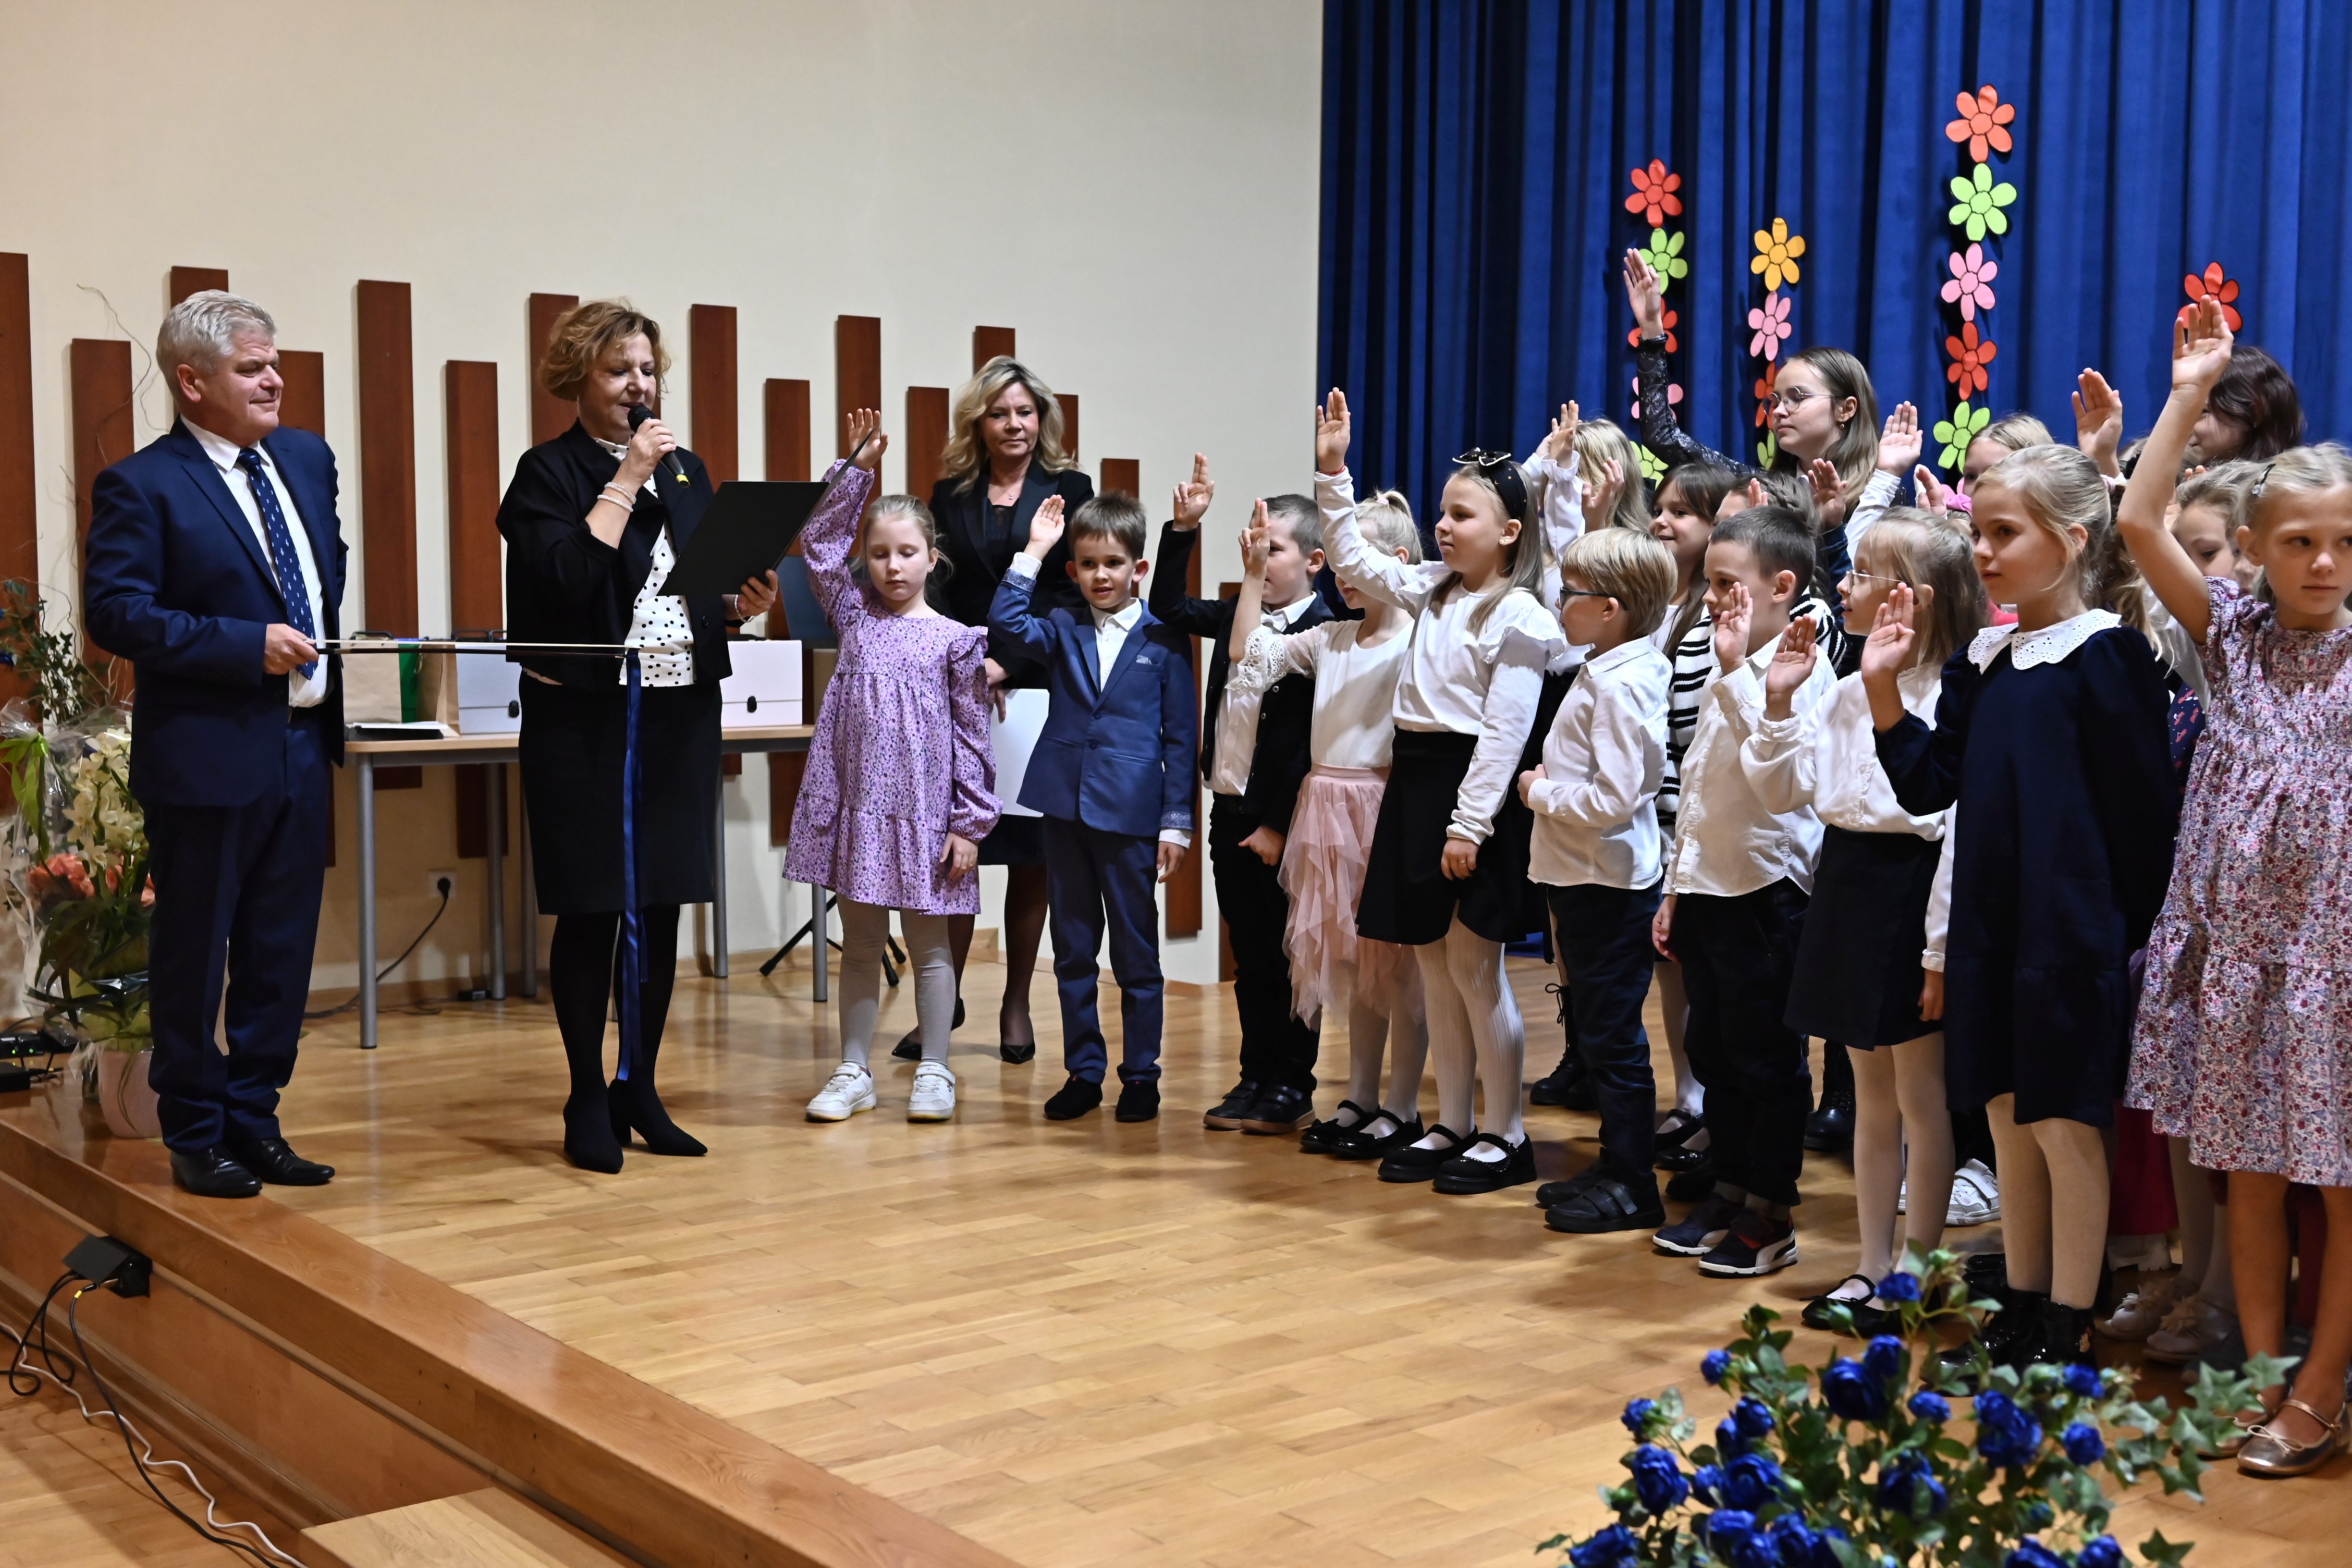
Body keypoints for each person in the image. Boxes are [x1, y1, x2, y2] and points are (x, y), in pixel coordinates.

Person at [1869, 443, 2177, 1374]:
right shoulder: (1984, 659)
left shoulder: (2109, 654)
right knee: (2007, 1119)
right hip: (1990, 930)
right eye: (1978, 532)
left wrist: (2110, 936)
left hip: (2069, 934)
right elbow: (1930, 785)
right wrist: (1883, 689)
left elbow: (2142, 816)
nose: (1983, 551)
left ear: (2072, 540)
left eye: (2004, 532)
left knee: (2063, 1126)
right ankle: (2026, 1302)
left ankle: (2067, 1324)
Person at [2123, 298, 2352, 1477]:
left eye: (2344, 543)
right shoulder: (2233, 636)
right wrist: (2184, 393)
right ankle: (2262, 1381)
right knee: (2249, 1180)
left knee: (2342, 1191)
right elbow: (2135, 517)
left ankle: (2320, 1389)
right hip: (2240, 967)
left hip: (2335, 974)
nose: (2323, 564)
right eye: (2299, 541)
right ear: (2257, 548)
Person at [497, 300, 779, 1174]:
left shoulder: (686, 472)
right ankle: (586, 1091)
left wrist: (738, 604)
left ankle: (640, 1086)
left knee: (659, 902)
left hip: (675, 711)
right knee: (592, 906)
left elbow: (689, 592)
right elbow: (567, 580)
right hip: (583, 717)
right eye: (620, 370)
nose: (639, 385)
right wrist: (625, 477)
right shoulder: (546, 473)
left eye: (648, 370)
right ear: (578, 377)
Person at [83, 291, 346, 1199]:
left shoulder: (306, 459)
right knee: (196, 952)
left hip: (303, 743)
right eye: (250, 368)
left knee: (282, 949)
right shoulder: (144, 484)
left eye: (274, 363)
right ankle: (194, 1130)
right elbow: (117, 612)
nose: (274, 381)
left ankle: (255, 1118)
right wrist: (244, 645)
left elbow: (320, 571)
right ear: (192, 383)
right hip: (206, 753)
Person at [1742, 512, 1989, 1329]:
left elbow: (1952, 829)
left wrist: (1938, 950)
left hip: (1911, 894)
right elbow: (1786, 793)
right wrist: (1779, 702)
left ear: (1911, 598)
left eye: (1860, 575)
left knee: (1922, 1097)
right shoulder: (1849, 691)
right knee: (1870, 1096)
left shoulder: (1957, 694)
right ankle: (1872, 1262)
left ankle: (1917, 1272)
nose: (1842, 587)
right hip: (1847, 887)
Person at [1317, 391, 1566, 1197]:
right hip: (1417, 786)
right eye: (1442, 513)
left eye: (1462, 515)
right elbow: (1354, 558)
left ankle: (1506, 1133)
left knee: (1474, 970)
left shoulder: (1519, 615)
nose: (1444, 526)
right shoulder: (1432, 587)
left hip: (1468, 797)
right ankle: (1453, 1122)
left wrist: (1469, 825)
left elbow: (1504, 735)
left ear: (1510, 532)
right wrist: (1333, 473)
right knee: (1432, 968)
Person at [786, 414, 998, 1124]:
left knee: (931, 947)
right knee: (861, 945)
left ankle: (935, 1068)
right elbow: (819, 545)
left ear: (932, 558)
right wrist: (859, 468)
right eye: (879, 554)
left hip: (928, 819)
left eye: (907, 552)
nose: (893, 567)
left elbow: (974, 738)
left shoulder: (956, 641)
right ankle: (855, 1070)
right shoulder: (854, 619)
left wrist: (969, 824)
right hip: (861, 816)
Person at [1647, 507, 1839, 1277]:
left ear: (1780, 586)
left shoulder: (1804, 671)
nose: (1711, 597)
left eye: (1726, 583)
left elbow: (1780, 789)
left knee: (1766, 1059)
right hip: (1709, 886)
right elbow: (1700, 786)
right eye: (1709, 582)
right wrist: (1676, 887)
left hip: (1765, 892)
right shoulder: (1727, 660)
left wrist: (1733, 676)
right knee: (1715, 1051)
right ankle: (1730, 1187)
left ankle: (1772, 1210)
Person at [1222, 493, 1429, 1161]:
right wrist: (1253, 572)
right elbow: (1247, 653)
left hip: (1380, 812)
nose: (1342, 572)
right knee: (1352, 964)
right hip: (1326, 813)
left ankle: (1402, 1105)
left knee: (1398, 970)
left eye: (1354, 557)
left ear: (1396, 562)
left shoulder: (1419, 638)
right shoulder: (1333, 637)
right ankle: (1361, 1097)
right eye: (1337, 559)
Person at [989, 493, 1194, 1122]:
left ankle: (1142, 1075)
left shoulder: (1165, 639)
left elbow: (1181, 739)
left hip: (1131, 815)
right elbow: (1005, 622)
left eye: (1113, 562)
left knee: (1136, 953)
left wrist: (1177, 824)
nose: (1100, 575)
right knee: (1073, 947)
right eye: (1087, 564)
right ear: (1073, 570)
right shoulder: (1062, 625)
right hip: (1064, 808)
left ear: (1139, 568)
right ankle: (1083, 1071)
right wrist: (1034, 550)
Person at [1150, 465, 1334, 1135]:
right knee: (1250, 957)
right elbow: (1169, 606)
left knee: (1290, 957)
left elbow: (1308, 744)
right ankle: (1255, 1074)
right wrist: (1183, 529)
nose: (1257, 554)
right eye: (1253, 542)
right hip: (1228, 810)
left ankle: (1293, 1081)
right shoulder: (1239, 612)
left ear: (1314, 561)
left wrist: (1278, 824)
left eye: (1273, 546)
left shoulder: (1327, 629)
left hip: (1283, 819)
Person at [924, 357, 1096, 1064]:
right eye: (1000, 413)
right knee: (955, 855)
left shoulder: (1071, 489)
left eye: (1025, 412)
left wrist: (1011, 661)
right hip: (962, 689)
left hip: (1038, 688)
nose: (1014, 424)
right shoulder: (950, 493)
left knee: (1030, 856)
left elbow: (1074, 594)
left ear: (1042, 419)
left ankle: (1017, 1003)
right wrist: (970, 661)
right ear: (979, 423)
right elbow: (939, 591)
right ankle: (944, 1002)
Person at [1517, 529, 1676, 1233]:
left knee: (1613, 1038)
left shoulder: (1622, 683)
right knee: (1597, 1030)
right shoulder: (1603, 666)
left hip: (1607, 884)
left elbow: (1618, 796)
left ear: (1610, 608)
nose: (1560, 603)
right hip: (1582, 875)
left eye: (1571, 593)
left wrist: (1539, 792)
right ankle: (1615, 1163)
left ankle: (1635, 1184)